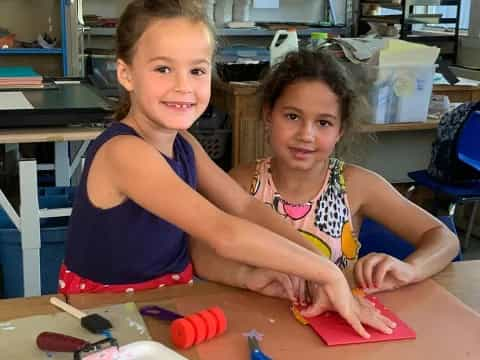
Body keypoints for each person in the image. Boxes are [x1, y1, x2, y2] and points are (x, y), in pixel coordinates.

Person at [60, 0, 395, 338]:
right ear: (126, 74)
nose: (183, 86)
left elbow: (244, 206)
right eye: (163, 69)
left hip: (165, 302)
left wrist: (306, 264)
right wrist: (328, 273)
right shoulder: (125, 152)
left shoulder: (183, 144)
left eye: (197, 70)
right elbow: (224, 232)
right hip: (102, 317)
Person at [226, 49, 460, 315]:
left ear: (341, 130)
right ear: (269, 115)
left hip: (336, 324)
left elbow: (444, 239)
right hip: (259, 319)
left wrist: (411, 269)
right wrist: (245, 274)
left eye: (324, 122)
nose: (306, 135)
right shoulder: (242, 183)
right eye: (292, 116)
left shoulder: (357, 185)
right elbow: (202, 254)